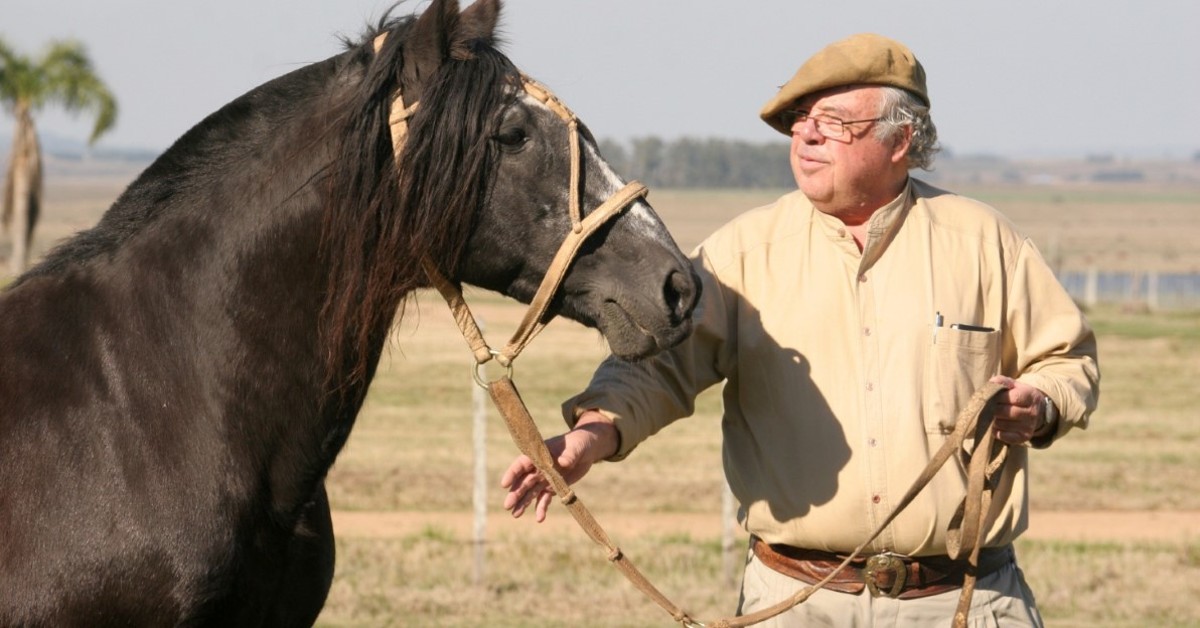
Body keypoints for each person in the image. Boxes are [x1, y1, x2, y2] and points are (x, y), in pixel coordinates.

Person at [501, 32, 1099, 626]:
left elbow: (1067, 361)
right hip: (795, 603)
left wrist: (1042, 404)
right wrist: (590, 436)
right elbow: (658, 367)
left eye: (834, 121)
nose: (807, 134)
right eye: (801, 119)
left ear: (901, 140)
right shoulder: (742, 253)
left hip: (965, 599)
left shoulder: (985, 243)